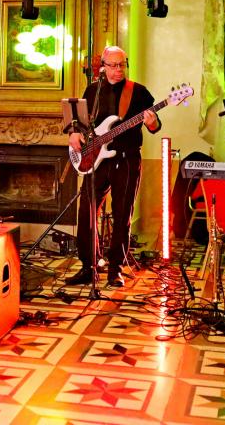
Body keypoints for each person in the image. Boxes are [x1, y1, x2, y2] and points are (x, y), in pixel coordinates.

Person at [66, 46, 161, 287]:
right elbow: (79, 121)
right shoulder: (93, 90)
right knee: (86, 212)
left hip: (126, 159)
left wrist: (151, 122)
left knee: (122, 215)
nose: (119, 70)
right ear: (103, 67)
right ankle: (88, 266)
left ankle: (115, 269)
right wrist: (74, 132)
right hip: (97, 160)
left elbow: (155, 126)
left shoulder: (138, 92)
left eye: (122, 65)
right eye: (114, 65)